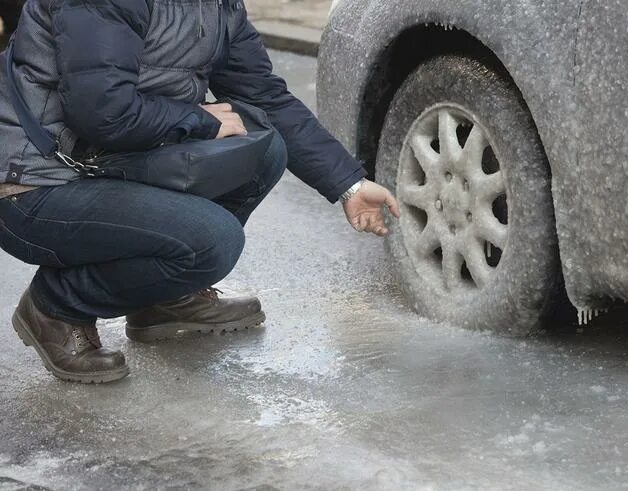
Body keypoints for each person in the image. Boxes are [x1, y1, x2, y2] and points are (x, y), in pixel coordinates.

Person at [0, 0, 400, 384]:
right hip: (33, 184)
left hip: (105, 161)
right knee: (211, 240)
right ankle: (56, 306)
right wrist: (199, 119)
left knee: (264, 152)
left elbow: (264, 95)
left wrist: (349, 185)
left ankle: (161, 299)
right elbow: (102, 111)